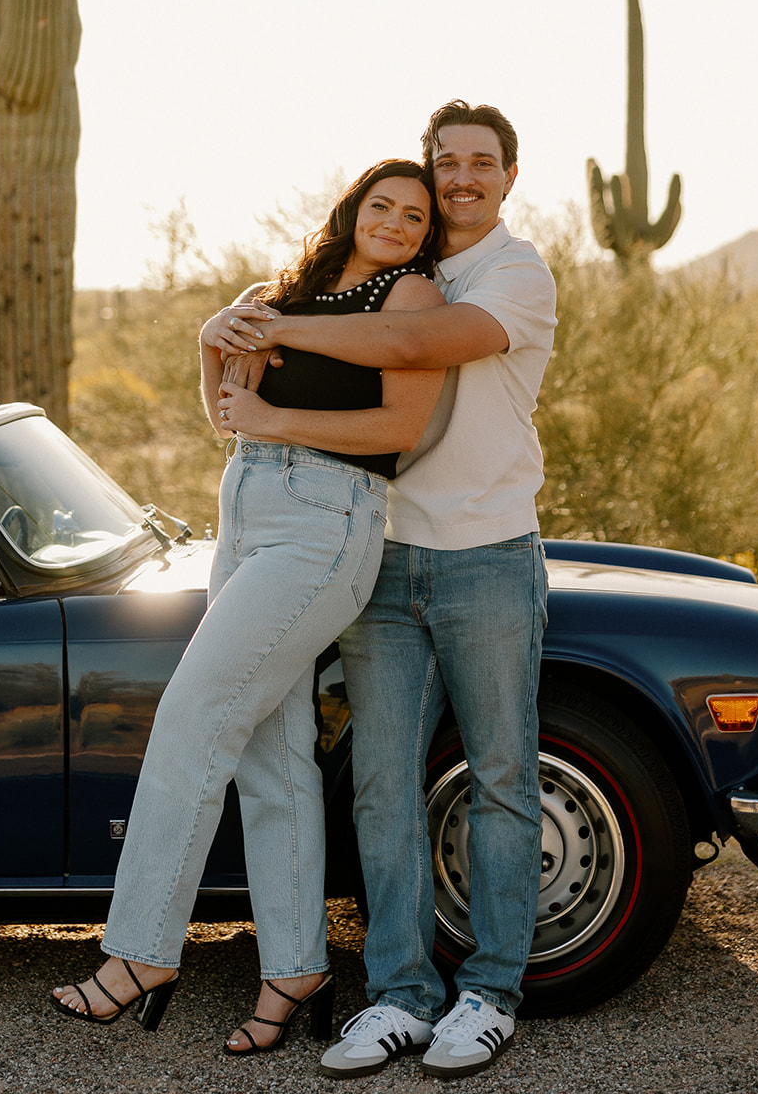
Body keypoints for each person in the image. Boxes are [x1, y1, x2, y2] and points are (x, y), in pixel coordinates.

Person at [51, 160, 446, 1056]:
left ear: (423, 237)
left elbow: (396, 433)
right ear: (352, 209)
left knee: (193, 721)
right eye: (381, 205)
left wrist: (275, 423)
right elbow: (228, 415)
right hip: (247, 510)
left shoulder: (411, 297)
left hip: (326, 523)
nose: (395, 223)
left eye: (414, 216)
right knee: (271, 757)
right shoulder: (281, 292)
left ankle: (141, 952)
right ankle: (297, 966)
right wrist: (208, 339)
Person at [212, 102, 556, 1081]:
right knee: (381, 785)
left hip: (486, 556)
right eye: (444, 163)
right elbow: (276, 349)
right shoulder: (394, 270)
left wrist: (285, 323)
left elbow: (412, 350)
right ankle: (399, 996)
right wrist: (234, 325)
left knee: (498, 776)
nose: (458, 180)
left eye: (478, 164)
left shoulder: (513, 275)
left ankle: (489, 991)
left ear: (507, 176)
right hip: (380, 555)